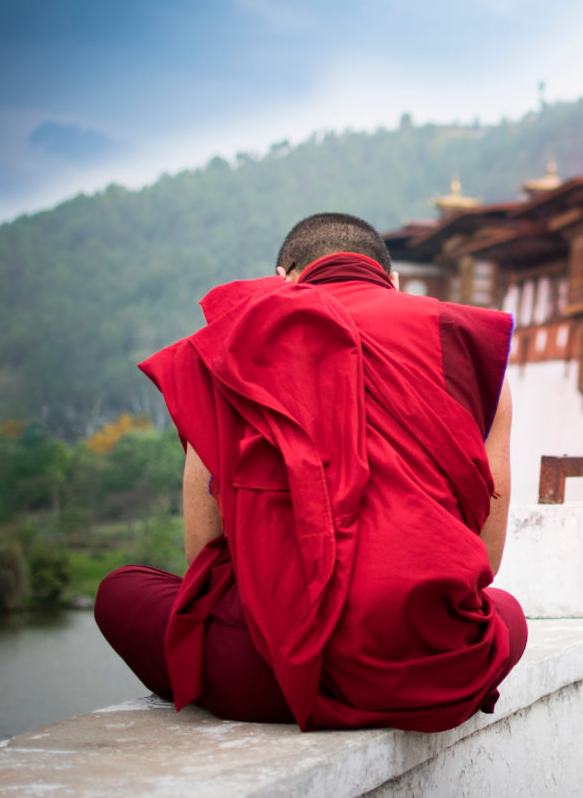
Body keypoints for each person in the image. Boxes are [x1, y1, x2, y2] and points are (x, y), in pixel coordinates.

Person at [95, 213, 528, 733]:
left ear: (284, 279)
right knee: (505, 614)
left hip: (266, 671)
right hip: (434, 671)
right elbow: (487, 557)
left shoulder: (237, 341)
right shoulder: (466, 350)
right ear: (393, 284)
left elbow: (201, 556)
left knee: (120, 592)